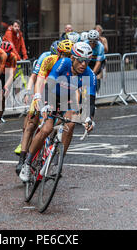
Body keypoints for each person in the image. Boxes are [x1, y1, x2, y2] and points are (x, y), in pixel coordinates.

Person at [19, 42, 96, 182]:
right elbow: (50, 82)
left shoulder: (89, 74)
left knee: (71, 124)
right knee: (47, 128)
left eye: (87, 61)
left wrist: (88, 118)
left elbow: (90, 100)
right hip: (53, 94)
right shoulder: (63, 63)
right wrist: (46, 105)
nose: (84, 64)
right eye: (80, 60)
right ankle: (27, 163)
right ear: (72, 58)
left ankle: (57, 162)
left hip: (68, 99)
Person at [15, 40, 74, 175]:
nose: (66, 57)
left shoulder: (73, 65)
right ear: (59, 53)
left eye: (69, 55)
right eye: (64, 54)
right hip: (42, 92)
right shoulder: (48, 60)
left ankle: (53, 152)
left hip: (59, 95)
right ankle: (22, 160)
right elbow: (37, 78)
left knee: (63, 121)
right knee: (31, 124)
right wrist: (33, 95)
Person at [0, 41, 19, 135]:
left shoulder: (13, 57)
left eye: (7, 53)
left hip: (7, 76)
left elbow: (12, 74)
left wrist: (5, 87)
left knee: (2, 97)